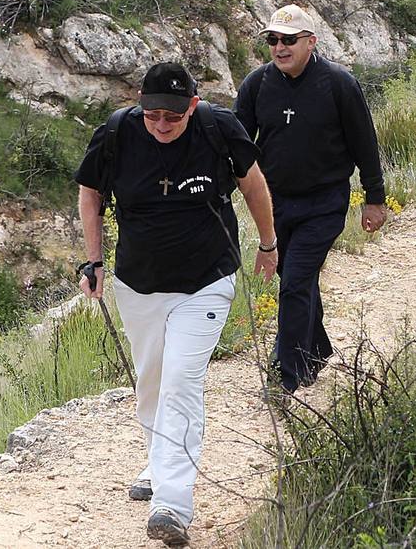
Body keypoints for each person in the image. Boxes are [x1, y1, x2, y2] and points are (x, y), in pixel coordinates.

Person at [75, 62, 277, 549]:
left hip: (206, 280)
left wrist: (268, 244)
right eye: (153, 115)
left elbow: (254, 185)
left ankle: (172, 503)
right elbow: (90, 194)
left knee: (182, 381)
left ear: (192, 106)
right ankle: (156, 462)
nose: (162, 125)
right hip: (139, 283)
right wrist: (93, 260)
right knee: (151, 381)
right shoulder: (118, 132)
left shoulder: (217, 128)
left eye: (173, 116)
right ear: (140, 103)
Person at [234, 4, 386, 398]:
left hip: (324, 202)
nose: (280, 48)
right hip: (275, 204)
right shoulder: (256, 85)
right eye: (273, 40)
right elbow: (235, 146)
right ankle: (315, 350)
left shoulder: (338, 84)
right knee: (295, 280)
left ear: (311, 42)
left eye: (289, 40)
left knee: (295, 281)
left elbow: (364, 143)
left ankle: (287, 373)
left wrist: (375, 198)